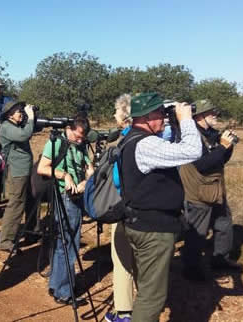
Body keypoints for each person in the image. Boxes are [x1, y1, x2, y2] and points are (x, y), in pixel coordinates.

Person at [118, 93, 202, 322]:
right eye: (160, 114)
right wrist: (186, 119)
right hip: (153, 230)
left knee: (147, 287)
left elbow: (173, 150)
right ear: (145, 117)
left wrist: (176, 124)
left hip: (140, 224)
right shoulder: (146, 144)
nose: (164, 118)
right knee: (152, 296)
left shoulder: (133, 139)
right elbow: (193, 151)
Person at [179, 99, 243, 281]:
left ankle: (220, 259)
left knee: (224, 224)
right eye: (210, 113)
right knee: (197, 232)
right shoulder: (191, 137)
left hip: (215, 189)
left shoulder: (212, 134)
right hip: (198, 192)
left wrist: (228, 147)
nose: (215, 116)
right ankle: (191, 269)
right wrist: (222, 146)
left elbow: (220, 160)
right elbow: (203, 164)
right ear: (199, 116)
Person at [36, 115, 94, 304]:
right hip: (65, 198)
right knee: (68, 243)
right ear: (69, 129)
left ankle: (57, 284)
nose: (80, 140)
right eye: (77, 136)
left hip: (78, 197)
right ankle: (64, 291)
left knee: (65, 242)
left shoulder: (80, 145)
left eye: (82, 137)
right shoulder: (55, 143)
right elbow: (43, 168)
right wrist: (65, 175)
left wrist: (87, 180)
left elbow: (89, 167)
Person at [105, 94, 135, 322]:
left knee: (122, 259)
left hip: (124, 206)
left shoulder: (125, 140)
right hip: (145, 210)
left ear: (124, 115)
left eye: (116, 111)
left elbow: (117, 179)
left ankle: (124, 312)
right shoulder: (151, 137)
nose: (114, 115)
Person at [0, 101, 37, 253]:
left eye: (21, 110)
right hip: (17, 172)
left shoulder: (16, 126)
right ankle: (6, 240)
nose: (21, 113)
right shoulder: (7, 128)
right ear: (9, 115)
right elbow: (25, 134)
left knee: (31, 200)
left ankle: (31, 231)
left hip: (25, 170)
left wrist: (33, 116)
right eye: (18, 111)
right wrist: (31, 118)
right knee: (16, 204)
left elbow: (33, 128)